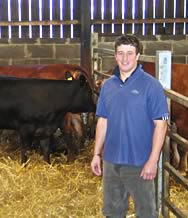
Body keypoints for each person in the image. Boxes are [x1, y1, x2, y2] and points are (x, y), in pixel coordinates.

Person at [90, 34, 169, 218]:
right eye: (121, 53)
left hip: (139, 162)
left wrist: (152, 161)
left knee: (146, 212)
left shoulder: (151, 85)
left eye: (130, 53)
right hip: (111, 161)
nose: (125, 59)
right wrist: (96, 154)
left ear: (138, 56)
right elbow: (103, 120)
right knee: (112, 212)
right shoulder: (108, 86)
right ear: (115, 56)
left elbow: (161, 125)